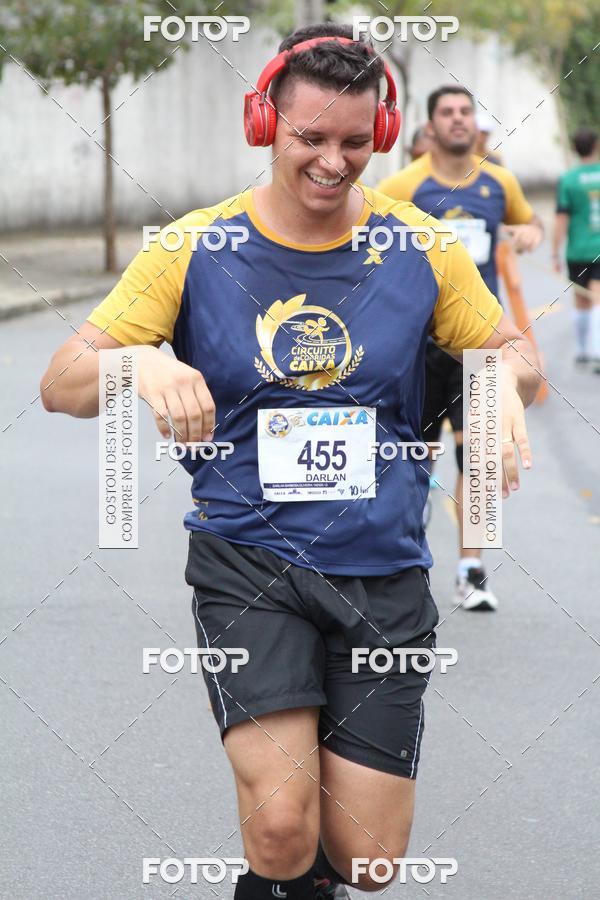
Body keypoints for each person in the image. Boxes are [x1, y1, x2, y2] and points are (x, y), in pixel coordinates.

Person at [41, 28, 540, 899]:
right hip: (247, 562)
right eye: (309, 137)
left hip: (382, 570)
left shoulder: (417, 246)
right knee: (279, 828)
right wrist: (139, 361)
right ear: (263, 122)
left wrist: (495, 387)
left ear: (384, 134)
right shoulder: (192, 247)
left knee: (369, 860)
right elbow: (62, 384)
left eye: (354, 141)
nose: (332, 161)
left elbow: (517, 357)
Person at [377, 85, 544, 612]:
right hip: (419, 343)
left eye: (465, 112)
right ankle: (406, 556)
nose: (457, 119)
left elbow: (529, 222)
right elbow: (370, 244)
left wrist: (527, 235)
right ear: (429, 127)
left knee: (476, 454)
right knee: (415, 456)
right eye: (446, 112)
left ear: (475, 123)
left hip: (479, 341)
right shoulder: (404, 186)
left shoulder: (499, 184)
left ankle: (471, 568)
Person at [552, 127, 600, 369]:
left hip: (577, 251)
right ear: (596, 145)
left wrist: (554, 251)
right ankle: (597, 352)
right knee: (598, 298)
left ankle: (584, 350)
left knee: (582, 299)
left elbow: (561, 218)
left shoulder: (569, 179)